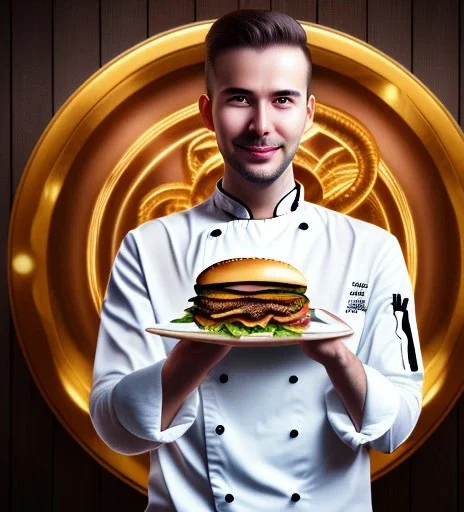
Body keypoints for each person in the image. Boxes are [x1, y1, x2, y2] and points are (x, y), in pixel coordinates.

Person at [90, 9, 423, 512]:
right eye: (239, 98)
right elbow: (114, 427)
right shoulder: (147, 245)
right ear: (207, 112)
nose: (260, 125)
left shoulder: (373, 248)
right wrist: (195, 352)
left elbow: (395, 429)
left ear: (309, 114)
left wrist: (337, 356)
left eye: (282, 100)